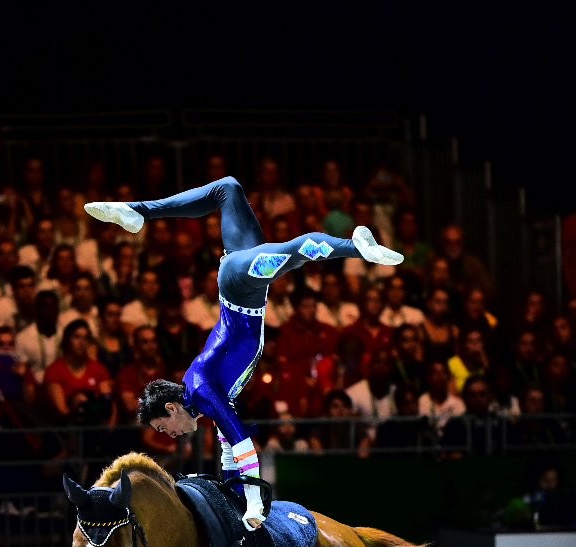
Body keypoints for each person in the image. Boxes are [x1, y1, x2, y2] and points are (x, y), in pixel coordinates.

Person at [86, 176, 401, 528]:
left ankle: (356, 246)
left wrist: (253, 505)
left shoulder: (201, 390)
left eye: (164, 427)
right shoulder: (203, 396)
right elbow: (227, 446)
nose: (171, 436)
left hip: (239, 286)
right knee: (228, 188)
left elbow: (238, 436)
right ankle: (136, 212)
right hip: (239, 280)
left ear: (172, 407)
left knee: (296, 254)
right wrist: (233, 494)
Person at [44, 319, 113, 425]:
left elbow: (107, 403)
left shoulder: (98, 369)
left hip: (95, 427)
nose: (81, 342)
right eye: (76, 337)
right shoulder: (54, 371)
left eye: (85, 338)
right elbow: (62, 411)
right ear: (67, 340)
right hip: (65, 429)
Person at [15, 289, 60, 384]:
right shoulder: (23, 338)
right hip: (36, 387)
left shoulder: (64, 334)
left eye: (53, 307)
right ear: (36, 310)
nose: (50, 311)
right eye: (46, 307)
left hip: (61, 385)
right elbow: (20, 370)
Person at [418, 360, 465, 436]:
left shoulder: (458, 403)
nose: (440, 377)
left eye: (443, 372)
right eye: (435, 373)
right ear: (428, 377)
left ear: (448, 376)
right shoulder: (420, 402)